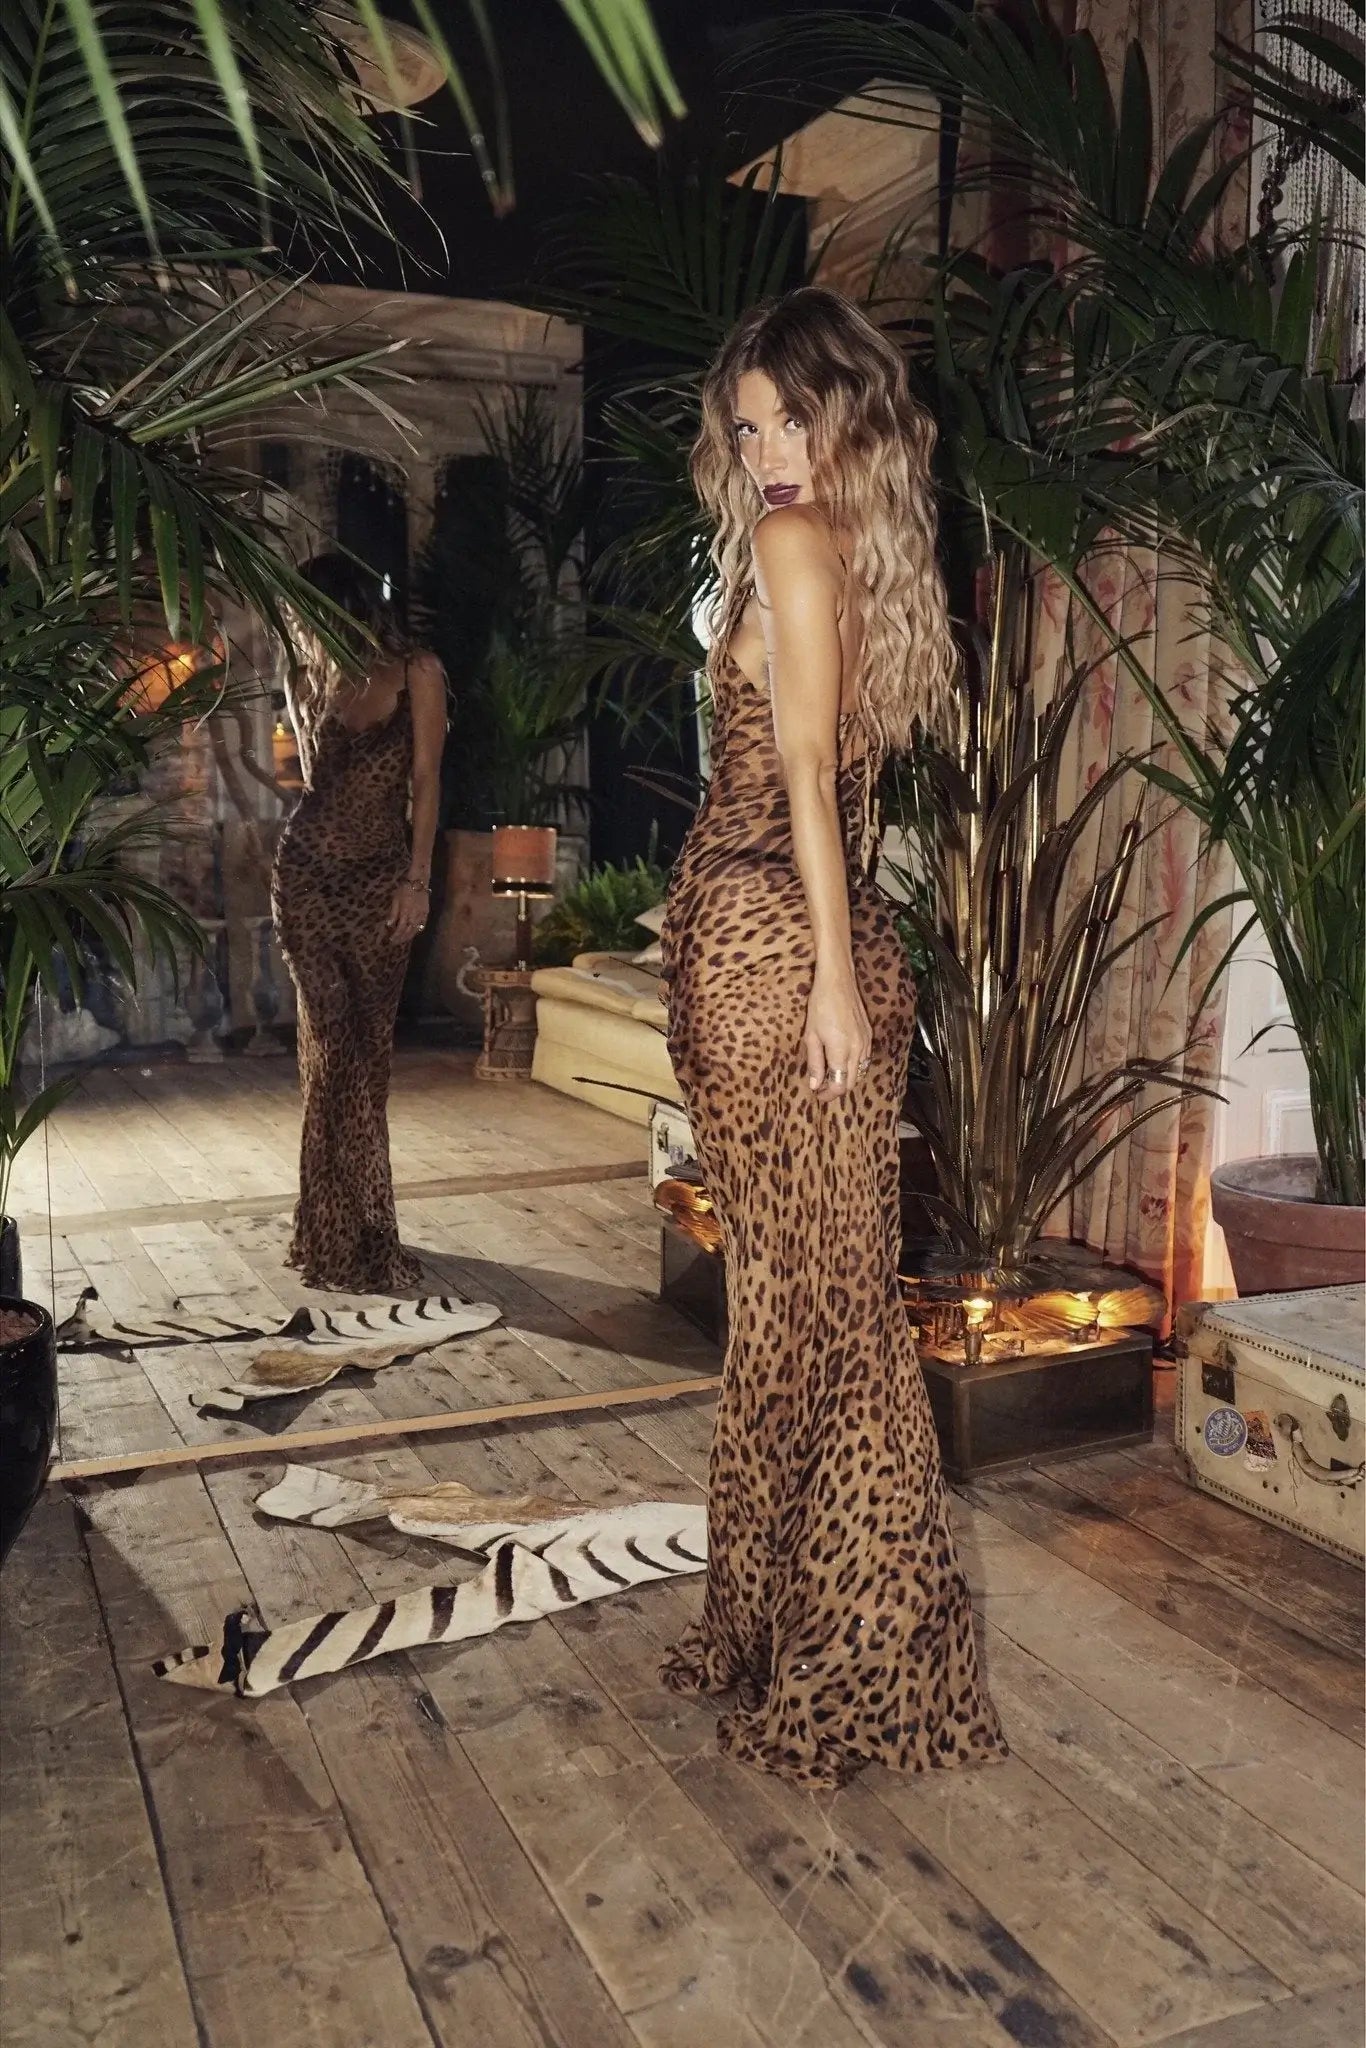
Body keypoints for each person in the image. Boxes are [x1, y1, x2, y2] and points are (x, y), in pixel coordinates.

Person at [658, 287, 1007, 1787]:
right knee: (821, 1313)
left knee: (806, 1317)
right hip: (794, 949)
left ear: (847, 415)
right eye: (746, 430)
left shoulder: (796, 550)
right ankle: (814, 1641)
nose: (767, 455)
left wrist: (834, 985)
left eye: (791, 421)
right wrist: (839, 971)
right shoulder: (852, 556)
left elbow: (805, 770)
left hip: (772, 955)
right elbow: (827, 783)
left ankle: (827, 1647)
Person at [271, 553, 446, 1292]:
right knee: (328, 1050)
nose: (297, 625)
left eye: (305, 610)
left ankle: (358, 1229)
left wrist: (417, 881)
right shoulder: (304, 679)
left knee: (363, 1057)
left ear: (341, 605)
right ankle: (330, 1232)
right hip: (305, 879)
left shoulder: (417, 672)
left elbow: (427, 782)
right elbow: (308, 783)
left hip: (380, 885)